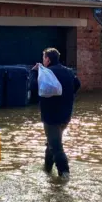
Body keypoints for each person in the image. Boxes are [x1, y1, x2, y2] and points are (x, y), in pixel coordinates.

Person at [32, 48, 81, 179]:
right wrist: (67, 97)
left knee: (56, 147)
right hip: (66, 115)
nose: (43, 60)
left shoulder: (46, 73)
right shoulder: (69, 72)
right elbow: (78, 84)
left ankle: (65, 175)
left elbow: (34, 90)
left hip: (51, 116)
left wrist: (35, 72)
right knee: (51, 143)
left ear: (47, 59)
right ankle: (47, 170)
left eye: (44, 58)